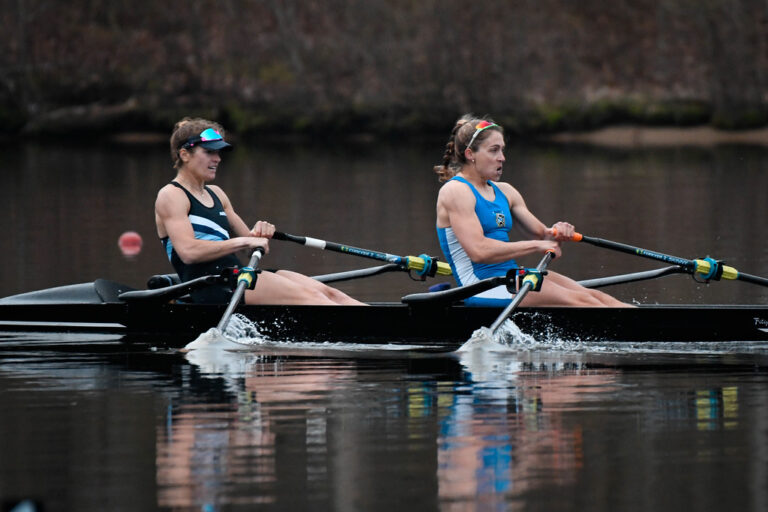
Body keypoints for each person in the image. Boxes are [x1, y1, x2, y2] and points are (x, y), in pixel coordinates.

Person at [155, 117, 364, 305]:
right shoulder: (172, 195)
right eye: (209, 152)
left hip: (238, 277)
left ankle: (388, 327)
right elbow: (189, 253)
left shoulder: (217, 194)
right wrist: (245, 242)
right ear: (184, 154)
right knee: (313, 299)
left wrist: (259, 233)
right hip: (211, 287)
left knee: (332, 294)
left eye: (218, 152)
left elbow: (250, 245)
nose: (217, 158)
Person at [434, 114, 628, 307]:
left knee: (598, 298)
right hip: (480, 287)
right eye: (494, 151)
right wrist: (536, 246)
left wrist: (558, 231)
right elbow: (479, 251)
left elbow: (544, 236)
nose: (502, 158)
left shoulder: (505, 191)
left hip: (510, 279)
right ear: (470, 154)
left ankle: (653, 329)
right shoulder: (456, 191)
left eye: (502, 150)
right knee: (583, 301)